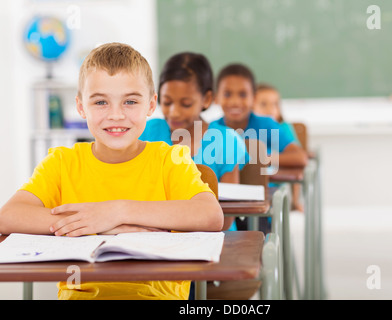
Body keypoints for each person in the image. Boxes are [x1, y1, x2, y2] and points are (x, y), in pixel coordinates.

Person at [0, 43, 223, 300]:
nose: (116, 115)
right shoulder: (62, 162)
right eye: (100, 102)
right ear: (81, 106)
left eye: (130, 101)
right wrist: (99, 226)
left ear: (151, 106)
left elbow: (210, 215)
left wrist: (116, 212)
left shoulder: (170, 159)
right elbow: (9, 216)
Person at [139, 52, 248, 230]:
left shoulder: (226, 141)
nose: (174, 112)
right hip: (152, 237)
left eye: (186, 104)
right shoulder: (147, 131)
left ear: (206, 99)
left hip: (214, 241)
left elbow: (227, 217)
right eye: (167, 102)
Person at [211, 63, 308, 169]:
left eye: (243, 95)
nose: (235, 102)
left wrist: (263, 159)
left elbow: (300, 157)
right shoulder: (211, 130)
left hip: (266, 185)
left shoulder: (266, 125)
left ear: (254, 98)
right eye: (227, 94)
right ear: (215, 98)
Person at [253, 83, 304, 212]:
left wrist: (295, 200)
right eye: (263, 104)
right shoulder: (250, 129)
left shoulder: (283, 128)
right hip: (252, 187)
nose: (270, 110)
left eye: (275, 104)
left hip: (274, 189)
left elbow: (297, 163)